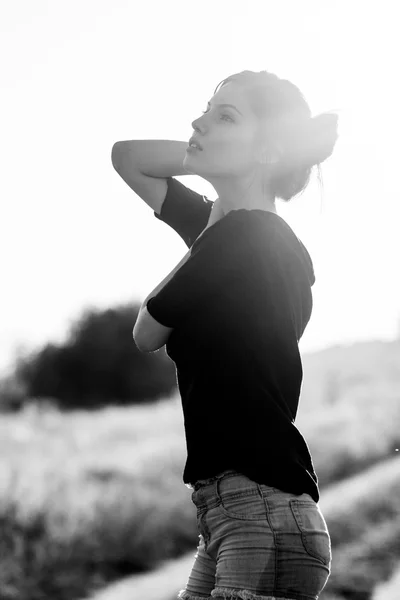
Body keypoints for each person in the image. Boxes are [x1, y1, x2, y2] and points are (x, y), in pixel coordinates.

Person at [112, 69, 339, 600]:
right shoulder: (245, 235)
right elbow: (127, 157)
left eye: (225, 116)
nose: (198, 121)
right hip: (240, 510)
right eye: (205, 112)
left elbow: (146, 331)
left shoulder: (236, 235)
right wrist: (205, 151)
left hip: (258, 511)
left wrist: (208, 230)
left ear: (267, 150)